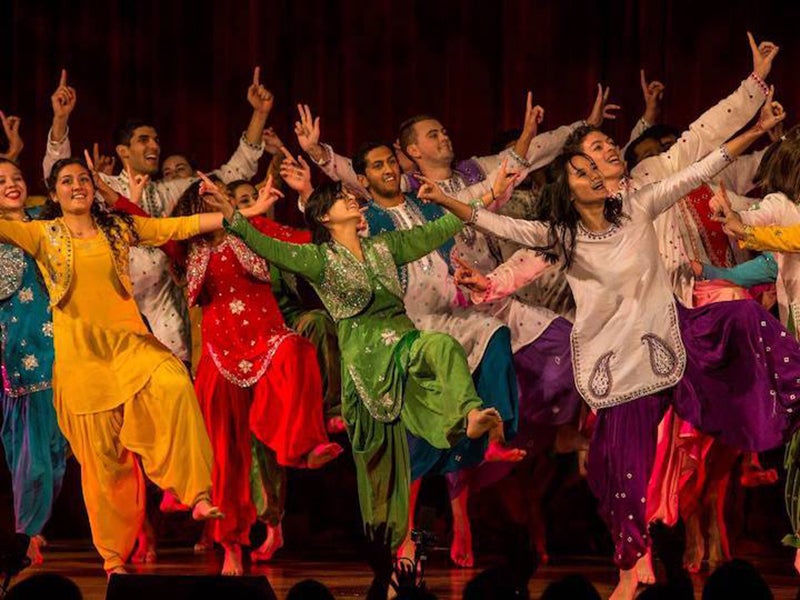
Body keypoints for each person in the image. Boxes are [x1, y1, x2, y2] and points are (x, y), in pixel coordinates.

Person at [420, 105, 799, 600]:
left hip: (673, 339)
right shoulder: (560, 236)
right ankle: (629, 568)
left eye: (598, 166)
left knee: (741, 316)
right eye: (582, 170)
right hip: (619, 366)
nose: (596, 174)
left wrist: (753, 130)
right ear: (567, 185)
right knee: (616, 469)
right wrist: (452, 215)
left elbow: (702, 166)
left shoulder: (639, 205)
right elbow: (497, 229)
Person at [0, 157, 281, 574]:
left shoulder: (118, 228)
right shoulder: (41, 234)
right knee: (103, 464)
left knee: (173, 382)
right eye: (66, 181)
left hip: (130, 345)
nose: (77, 186)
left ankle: (197, 493)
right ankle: (114, 559)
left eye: (83, 179)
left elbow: (172, 228)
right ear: (54, 191)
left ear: (94, 187)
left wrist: (243, 215)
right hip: (83, 361)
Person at [204, 178, 506, 550]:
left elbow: (440, 228)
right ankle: (394, 552)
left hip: (404, 345)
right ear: (325, 217)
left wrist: (488, 194)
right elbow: (265, 244)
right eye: (342, 198)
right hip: (365, 368)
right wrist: (231, 213)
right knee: (381, 477)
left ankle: (469, 414)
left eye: (349, 197)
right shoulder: (317, 259)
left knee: (442, 346)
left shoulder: (384, 247)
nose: (352, 201)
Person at [173, 175, 342, 575]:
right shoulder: (187, 248)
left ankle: (304, 445)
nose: (214, 202)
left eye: (219, 195)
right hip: (219, 356)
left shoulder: (256, 230)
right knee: (228, 455)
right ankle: (231, 544)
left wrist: (310, 200)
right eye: (206, 198)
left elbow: (308, 242)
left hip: (266, 341)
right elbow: (147, 227)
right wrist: (113, 197)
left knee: (298, 352)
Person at [0, 159, 67, 566]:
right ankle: (28, 533)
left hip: (64, 349)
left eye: (16, 178)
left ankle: (34, 529)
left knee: (58, 454)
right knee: (33, 457)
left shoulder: (47, 221)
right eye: (1, 182)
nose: (11, 184)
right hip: (21, 356)